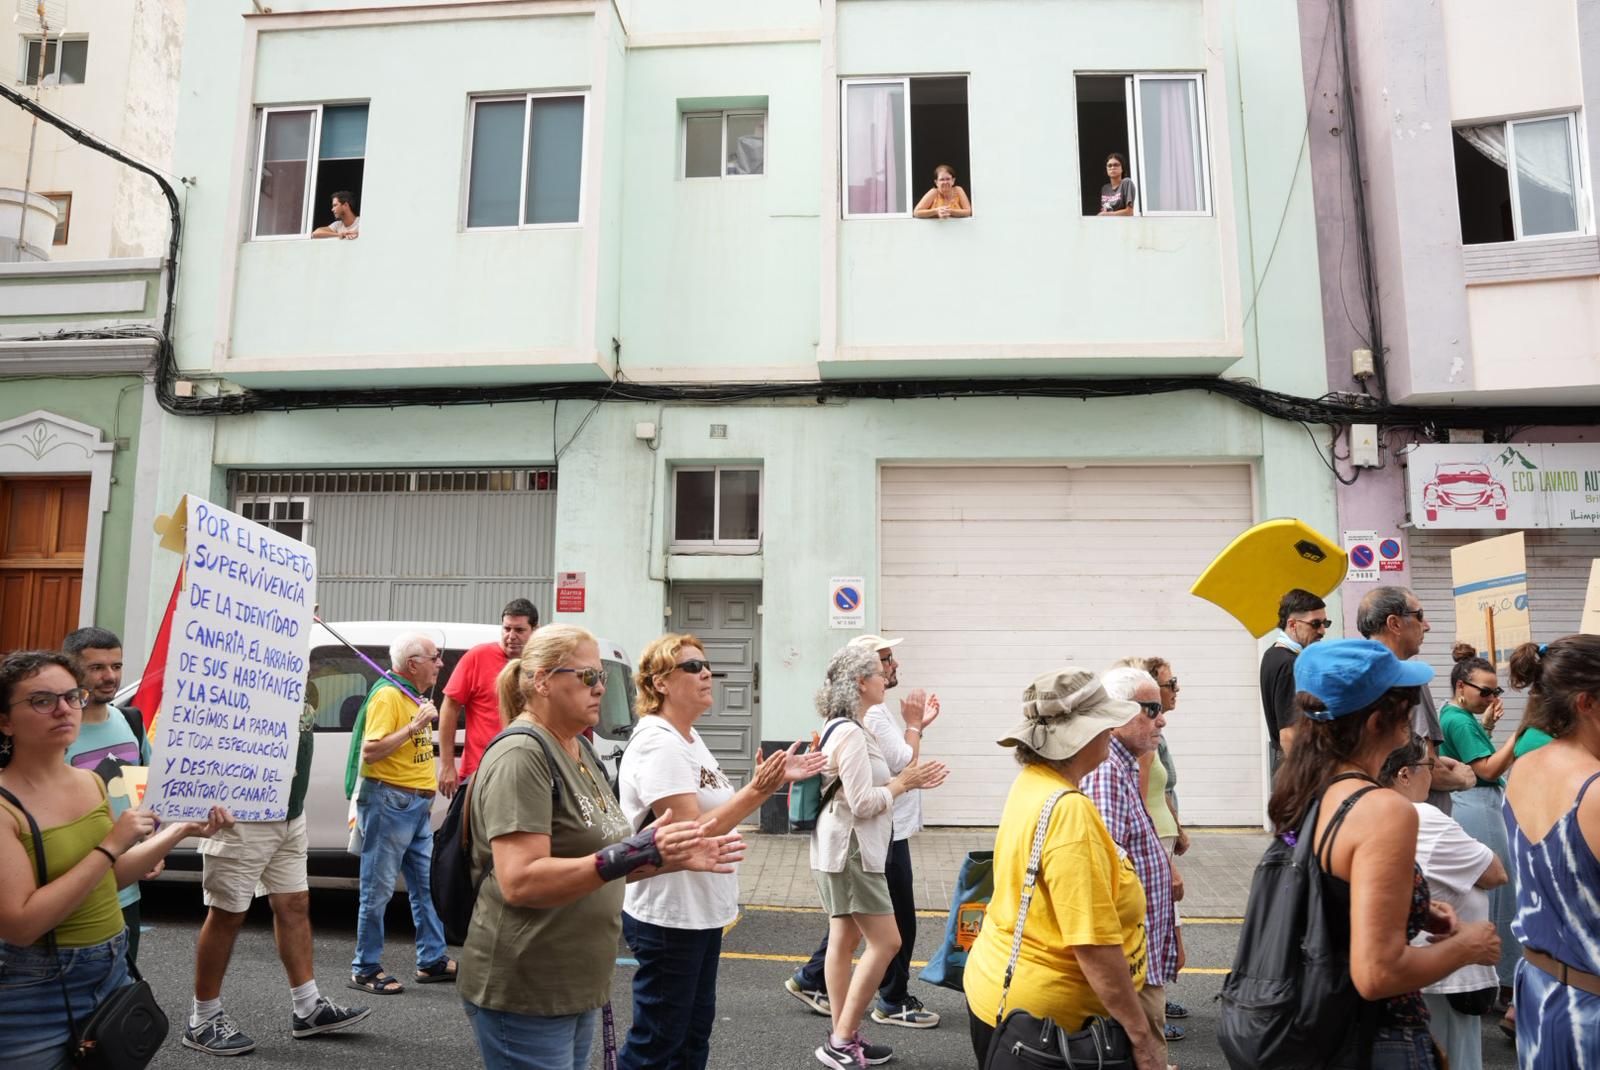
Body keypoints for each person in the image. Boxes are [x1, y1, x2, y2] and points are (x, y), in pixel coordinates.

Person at [459, 624, 743, 1070]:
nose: (600, 688)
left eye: (603, 676)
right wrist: (631, 853)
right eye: (588, 676)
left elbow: (610, 864)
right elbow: (520, 881)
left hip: (576, 984)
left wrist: (667, 857)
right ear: (542, 681)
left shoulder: (580, 750)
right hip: (529, 986)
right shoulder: (522, 754)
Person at [1268, 639, 1500, 1067]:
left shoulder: (1305, 792)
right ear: (1378, 722)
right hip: (1372, 1037)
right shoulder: (1384, 809)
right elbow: (1378, 974)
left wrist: (1413, 908)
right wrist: (1468, 946)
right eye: (1407, 708)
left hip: (1314, 1029)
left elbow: (1330, 899)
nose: (1414, 724)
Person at [0, 650, 232, 1070]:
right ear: (5, 722)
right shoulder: (4, 806)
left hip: (111, 970)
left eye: (72, 696)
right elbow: (22, 924)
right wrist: (111, 844)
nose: (64, 709)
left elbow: (108, 880)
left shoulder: (90, 781)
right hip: (34, 988)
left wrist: (180, 831)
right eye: (42, 700)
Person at [616, 632, 823, 1070]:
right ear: (660, 683)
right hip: (670, 914)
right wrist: (760, 789)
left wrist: (768, 782)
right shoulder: (658, 742)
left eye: (707, 665)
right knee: (657, 1045)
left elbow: (714, 809)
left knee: (691, 1040)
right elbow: (688, 833)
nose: (706, 673)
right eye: (692, 667)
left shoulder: (688, 737)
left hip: (699, 911)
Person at [962, 667, 1165, 1070]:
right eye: (1104, 723)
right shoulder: (1071, 813)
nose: (1110, 731)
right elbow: (1093, 946)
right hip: (1053, 1029)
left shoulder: (1032, 781)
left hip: (999, 992)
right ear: (1081, 736)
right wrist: (1142, 1039)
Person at [185, 682, 370, 1057]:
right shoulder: (243, 673)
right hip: (243, 815)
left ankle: (308, 1006)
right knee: (226, 913)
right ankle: (202, 1018)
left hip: (289, 813)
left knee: (294, 903)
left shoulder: (295, 670)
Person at [786, 634, 945, 1030]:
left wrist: (901, 777)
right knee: (887, 941)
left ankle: (843, 1034)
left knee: (845, 940)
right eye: (879, 668)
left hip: (843, 847)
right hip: (853, 849)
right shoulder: (853, 732)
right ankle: (846, 1033)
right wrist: (903, 783)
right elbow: (862, 803)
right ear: (860, 682)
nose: (887, 675)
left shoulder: (846, 726)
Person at [1378, 735, 1508, 1070]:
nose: (1434, 773)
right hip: (1445, 975)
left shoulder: (1374, 810)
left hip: (1413, 969)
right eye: (1429, 765)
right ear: (1404, 774)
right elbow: (1495, 873)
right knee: (1456, 1059)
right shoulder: (1423, 815)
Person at [1502, 635, 1600, 1068]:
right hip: (1589, 1014)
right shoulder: (1593, 789)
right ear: (1586, 702)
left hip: (1540, 995)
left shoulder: (1524, 767)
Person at [1082, 667, 1181, 1054]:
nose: (1162, 719)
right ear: (1118, 712)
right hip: (1129, 964)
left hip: (1140, 956)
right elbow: (1106, 873)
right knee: (1143, 1050)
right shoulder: (1107, 772)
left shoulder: (1122, 764)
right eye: (1151, 708)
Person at [350, 632, 453, 995]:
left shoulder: (410, 695)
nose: (440, 663)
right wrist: (415, 726)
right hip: (390, 803)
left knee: (426, 886)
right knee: (377, 890)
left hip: (415, 806)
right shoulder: (388, 695)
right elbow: (371, 750)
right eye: (434, 657)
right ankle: (365, 967)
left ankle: (432, 959)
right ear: (413, 664)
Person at [1436, 643, 1518, 1018]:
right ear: (1461, 687)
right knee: (1499, 893)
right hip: (1479, 805)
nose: (1491, 698)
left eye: (1495, 691)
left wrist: (1486, 726)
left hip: (1471, 804)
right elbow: (1487, 769)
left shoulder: (1455, 715)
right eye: (1485, 691)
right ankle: (1502, 981)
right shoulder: (1459, 720)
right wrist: (1520, 736)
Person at [60, 627, 149, 964]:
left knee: (124, 987)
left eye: (116, 666)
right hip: (72, 892)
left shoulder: (132, 721)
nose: (110, 676)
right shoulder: (56, 731)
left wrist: (150, 845)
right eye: (97, 667)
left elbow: (142, 790)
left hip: (126, 894)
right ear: (71, 669)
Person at [1355, 587, 1475, 813]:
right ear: (1394, 623)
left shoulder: (1358, 676)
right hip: (1416, 816)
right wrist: (1463, 778)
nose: (1427, 626)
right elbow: (1422, 765)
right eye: (1419, 616)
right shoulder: (1407, 679)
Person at [438, 599, 538, 797]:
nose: (511, 636)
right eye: (507, 628)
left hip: (526, 773)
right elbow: (449, 707)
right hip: (479, 773)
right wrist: (447, 765)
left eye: (519, 630)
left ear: (535, 630)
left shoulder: (542, 663)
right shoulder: (478, 656)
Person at [1260, 588, 1329, 765]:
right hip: (1295, 764)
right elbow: (1288, 734)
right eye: (1315, 624)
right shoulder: (1289, 664)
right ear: (1292, 625)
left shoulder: (1272, 654)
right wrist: (1306, 776)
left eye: (1325, 623)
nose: (1322, 631)